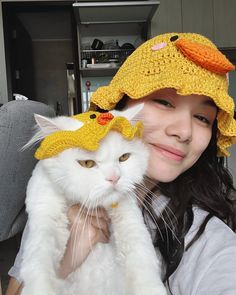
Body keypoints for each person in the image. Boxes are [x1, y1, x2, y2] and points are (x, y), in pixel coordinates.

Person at [6, 32, 236, 295]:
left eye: (203, 118)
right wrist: (64, 261)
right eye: (163, 101)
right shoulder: (65, 191)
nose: (184, 131)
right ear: (121, 106)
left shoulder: (204, 237)